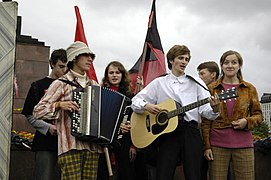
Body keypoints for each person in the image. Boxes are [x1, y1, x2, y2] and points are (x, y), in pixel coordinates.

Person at [131, 44, 221, 180]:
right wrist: (147, 105)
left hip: (190, 132)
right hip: (168, 133)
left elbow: (206, 111)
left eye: (186, 59)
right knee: (163, 174)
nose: (184, 62)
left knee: (193, 174)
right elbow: (135, 101)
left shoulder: (196, 82)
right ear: (172, 60)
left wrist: (215, 108)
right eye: (181, 58)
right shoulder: (159, 83)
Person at [33, 41, 101, 179]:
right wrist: (59, 105)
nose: (90, 59)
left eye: (91, 56)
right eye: (86, 55)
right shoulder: (61, 83)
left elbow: (101, 113)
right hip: (70, 146)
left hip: (92, 147)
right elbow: (37, 111)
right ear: (74, 58)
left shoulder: (94, 85)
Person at [202, 50, 263, 180]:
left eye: (234, 62)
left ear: (239, 65)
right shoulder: (211, 88)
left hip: (244, 144)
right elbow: (205, 120)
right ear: (222, 66)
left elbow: (258, 115)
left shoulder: (249, 89)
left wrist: (247, 121)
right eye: (226, 62)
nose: (230, 65)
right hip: (217, 144)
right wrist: (207, 146)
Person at [21, 48, 67, 180]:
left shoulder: (69, 86)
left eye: (65, 67)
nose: (63, 71)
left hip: (66, 143)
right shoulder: (38, 86)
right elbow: (29, 114)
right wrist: (47, 128)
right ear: (52, 63)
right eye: (60, 66)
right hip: (45, 142)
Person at [97, 61, 137, 180]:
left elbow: (135, 119)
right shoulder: (99, 93)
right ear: (107, 75)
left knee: (126, 172)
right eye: (111, 73)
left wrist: (133, 145)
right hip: (104, 140)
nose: (114, 75)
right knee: (102, 172)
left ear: (122, 75)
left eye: (117, 72)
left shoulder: (131, 95)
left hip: (124, 139)